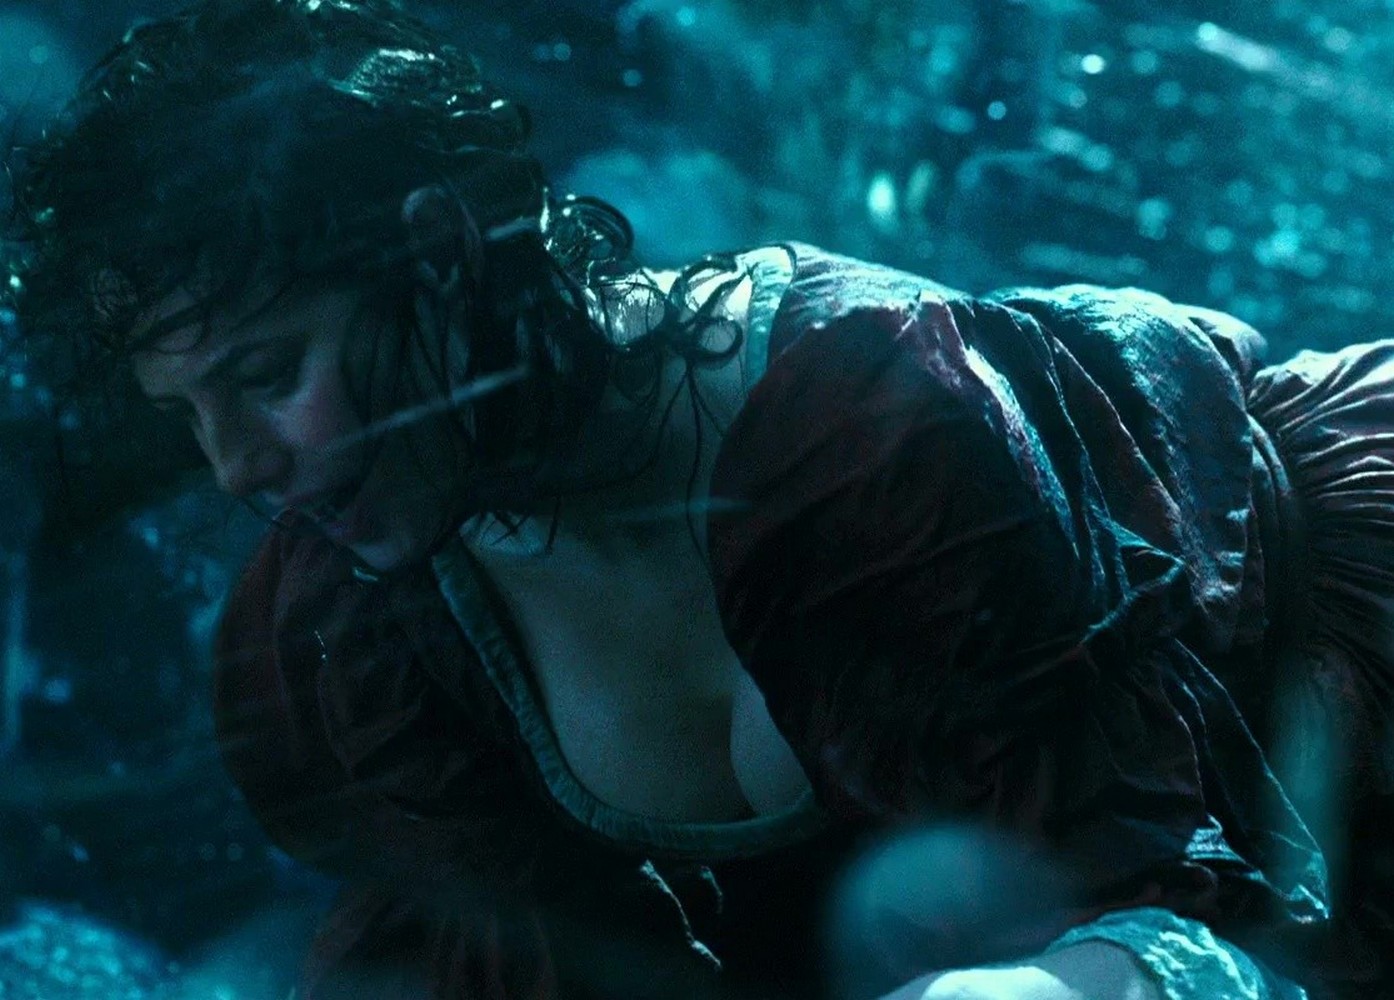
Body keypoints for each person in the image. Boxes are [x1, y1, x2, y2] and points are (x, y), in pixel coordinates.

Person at [6, 1, 1393, 998]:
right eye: (188, 413)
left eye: (267, 374)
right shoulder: (358, 633)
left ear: (436, 255)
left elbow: (1162, 908)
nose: (237, 465)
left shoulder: (856, 429)